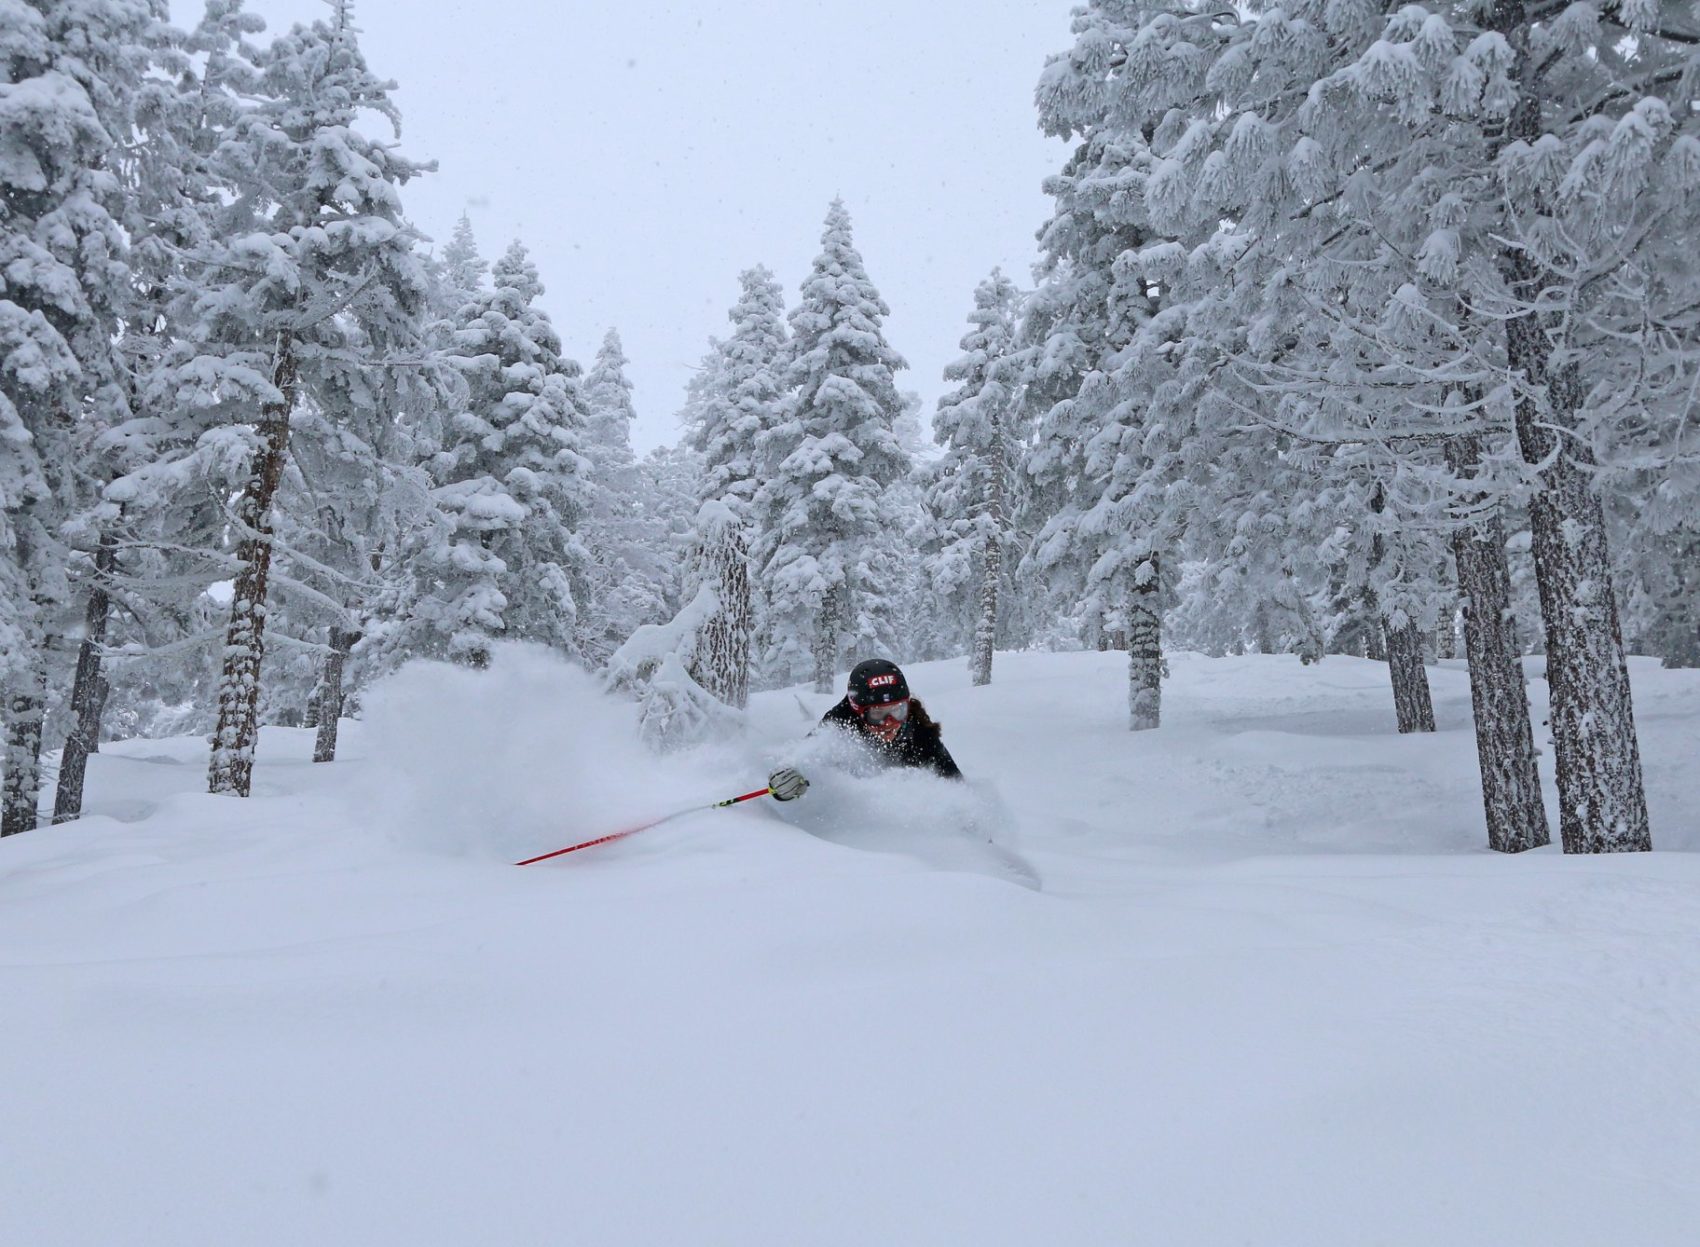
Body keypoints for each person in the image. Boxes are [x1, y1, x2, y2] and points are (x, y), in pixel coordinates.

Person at [768, 658, 961, 801]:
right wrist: (785, 783)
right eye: (877, 714)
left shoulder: (918, 728)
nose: (889, 722)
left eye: (898, 711)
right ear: (858, 711)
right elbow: (803, 758)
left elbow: (954, 782)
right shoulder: (840, 722)